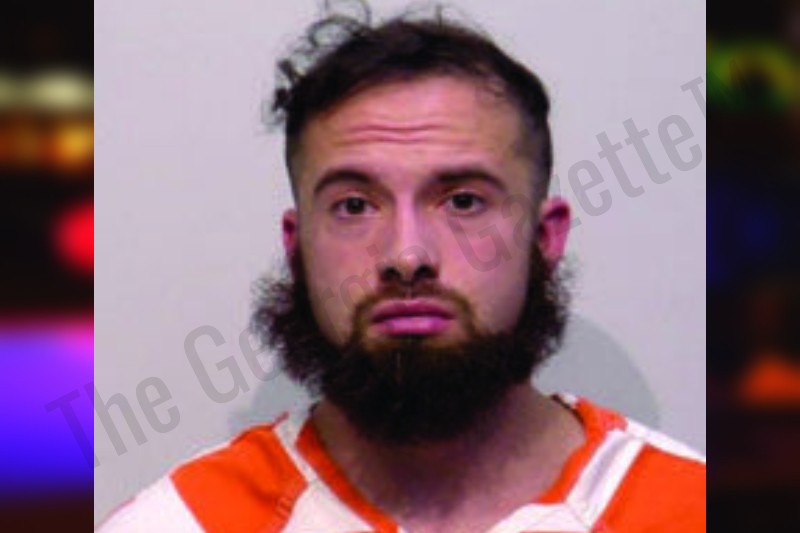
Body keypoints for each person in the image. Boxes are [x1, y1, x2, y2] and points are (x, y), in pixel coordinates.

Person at [98, 3, 705, 532]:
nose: (407, 257)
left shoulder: (688, 508)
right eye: (354, 206)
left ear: (545, 238)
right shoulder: (179, 522)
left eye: (463, 201)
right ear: (297, 247)